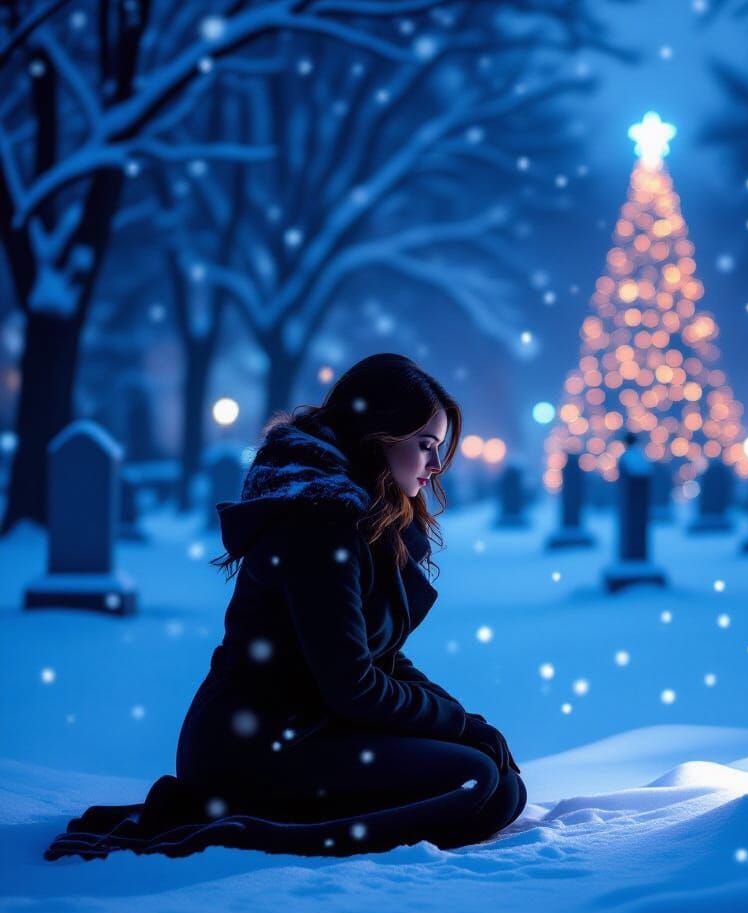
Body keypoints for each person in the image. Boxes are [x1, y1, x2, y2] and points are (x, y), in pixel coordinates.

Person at [44, 354, 526, 861]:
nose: (435, 464)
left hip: (314, 728)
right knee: (477, 781)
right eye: (425, 445)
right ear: (379, 436)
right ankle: (253, 833)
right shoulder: (319, 525)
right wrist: (457, 725)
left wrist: (466, 722)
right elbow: (354, 686)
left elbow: (380, 658)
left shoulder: (361, 517)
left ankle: (325, 816)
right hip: (255, 745)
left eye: (439, 448)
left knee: (500, 789)